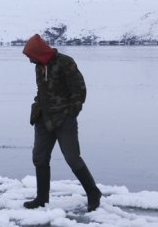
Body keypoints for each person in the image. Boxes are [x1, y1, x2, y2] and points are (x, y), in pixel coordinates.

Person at [22, 34, 102, 212]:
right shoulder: (38, 67)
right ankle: (42, 198)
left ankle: (93, 193)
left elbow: (79, 90)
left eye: (30, 55)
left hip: (64, 119)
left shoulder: (65, 62)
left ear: (39, 52)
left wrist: (72, 112)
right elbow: (41, 90)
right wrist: (38, 105)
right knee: (39, 158)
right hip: (43, 118)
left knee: (72, 158)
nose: (29, 59)